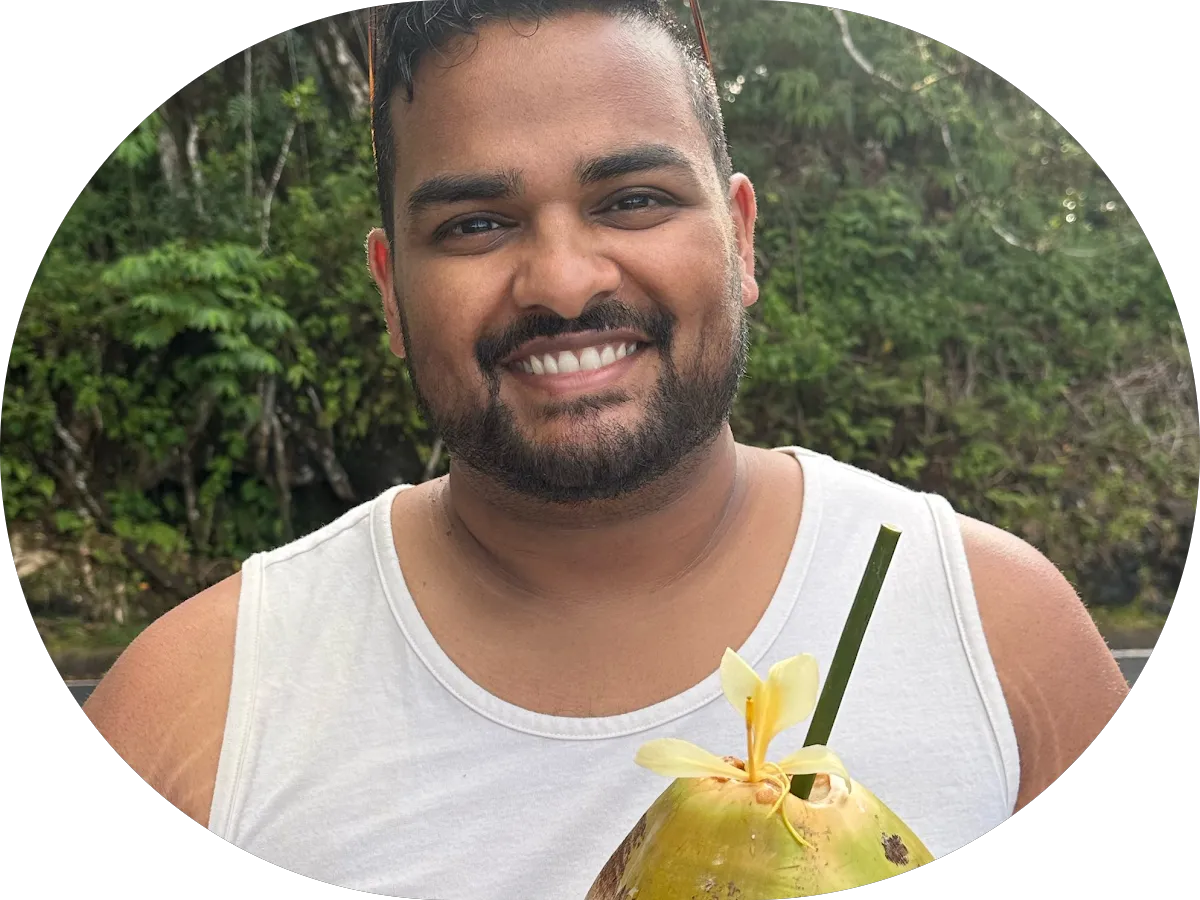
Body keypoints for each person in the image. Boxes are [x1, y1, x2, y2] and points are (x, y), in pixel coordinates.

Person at [82, 2, 1131, 898]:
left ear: (741, 237)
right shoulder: (195, 717)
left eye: (633, 201)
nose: (563, 281)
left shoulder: (999, 635)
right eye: (475, 224)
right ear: (390, 291)